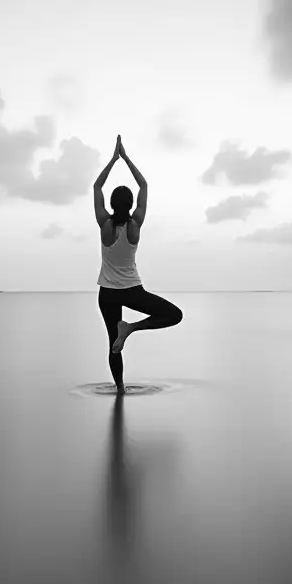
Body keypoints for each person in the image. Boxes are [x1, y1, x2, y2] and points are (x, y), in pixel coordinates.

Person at [93, 136, 183, 394]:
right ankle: (131, 328)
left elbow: (96, 187)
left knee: (113, 343)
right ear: (131, 205)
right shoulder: (135, 225)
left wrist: (112, 160)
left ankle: (120, 390)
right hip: (132, 290)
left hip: (107, 293)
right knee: (174, 315)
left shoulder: (104, 225)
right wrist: (127, 158)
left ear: (111, 204)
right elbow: (143, 184)